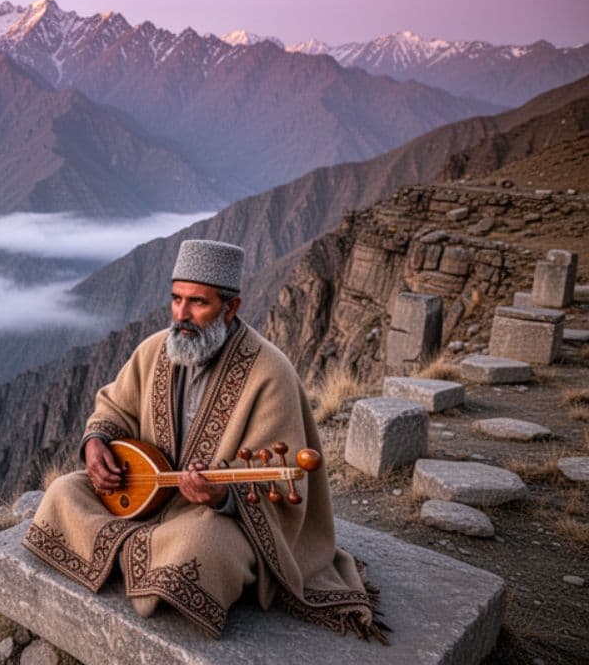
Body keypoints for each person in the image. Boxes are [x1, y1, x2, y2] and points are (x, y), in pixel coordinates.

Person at [23, 239, 384, 641]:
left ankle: (130, 557)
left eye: (198, 303)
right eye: (176, 299)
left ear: (230, 308)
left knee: (201, 549)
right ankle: (147, 559)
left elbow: (280, 489)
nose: (181, 315)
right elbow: (113, 408)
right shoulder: (153, 350)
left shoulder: (270, 374)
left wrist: (221, 496)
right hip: (139, 494)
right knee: (63, 492)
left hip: (210, 517)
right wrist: (96, 443)